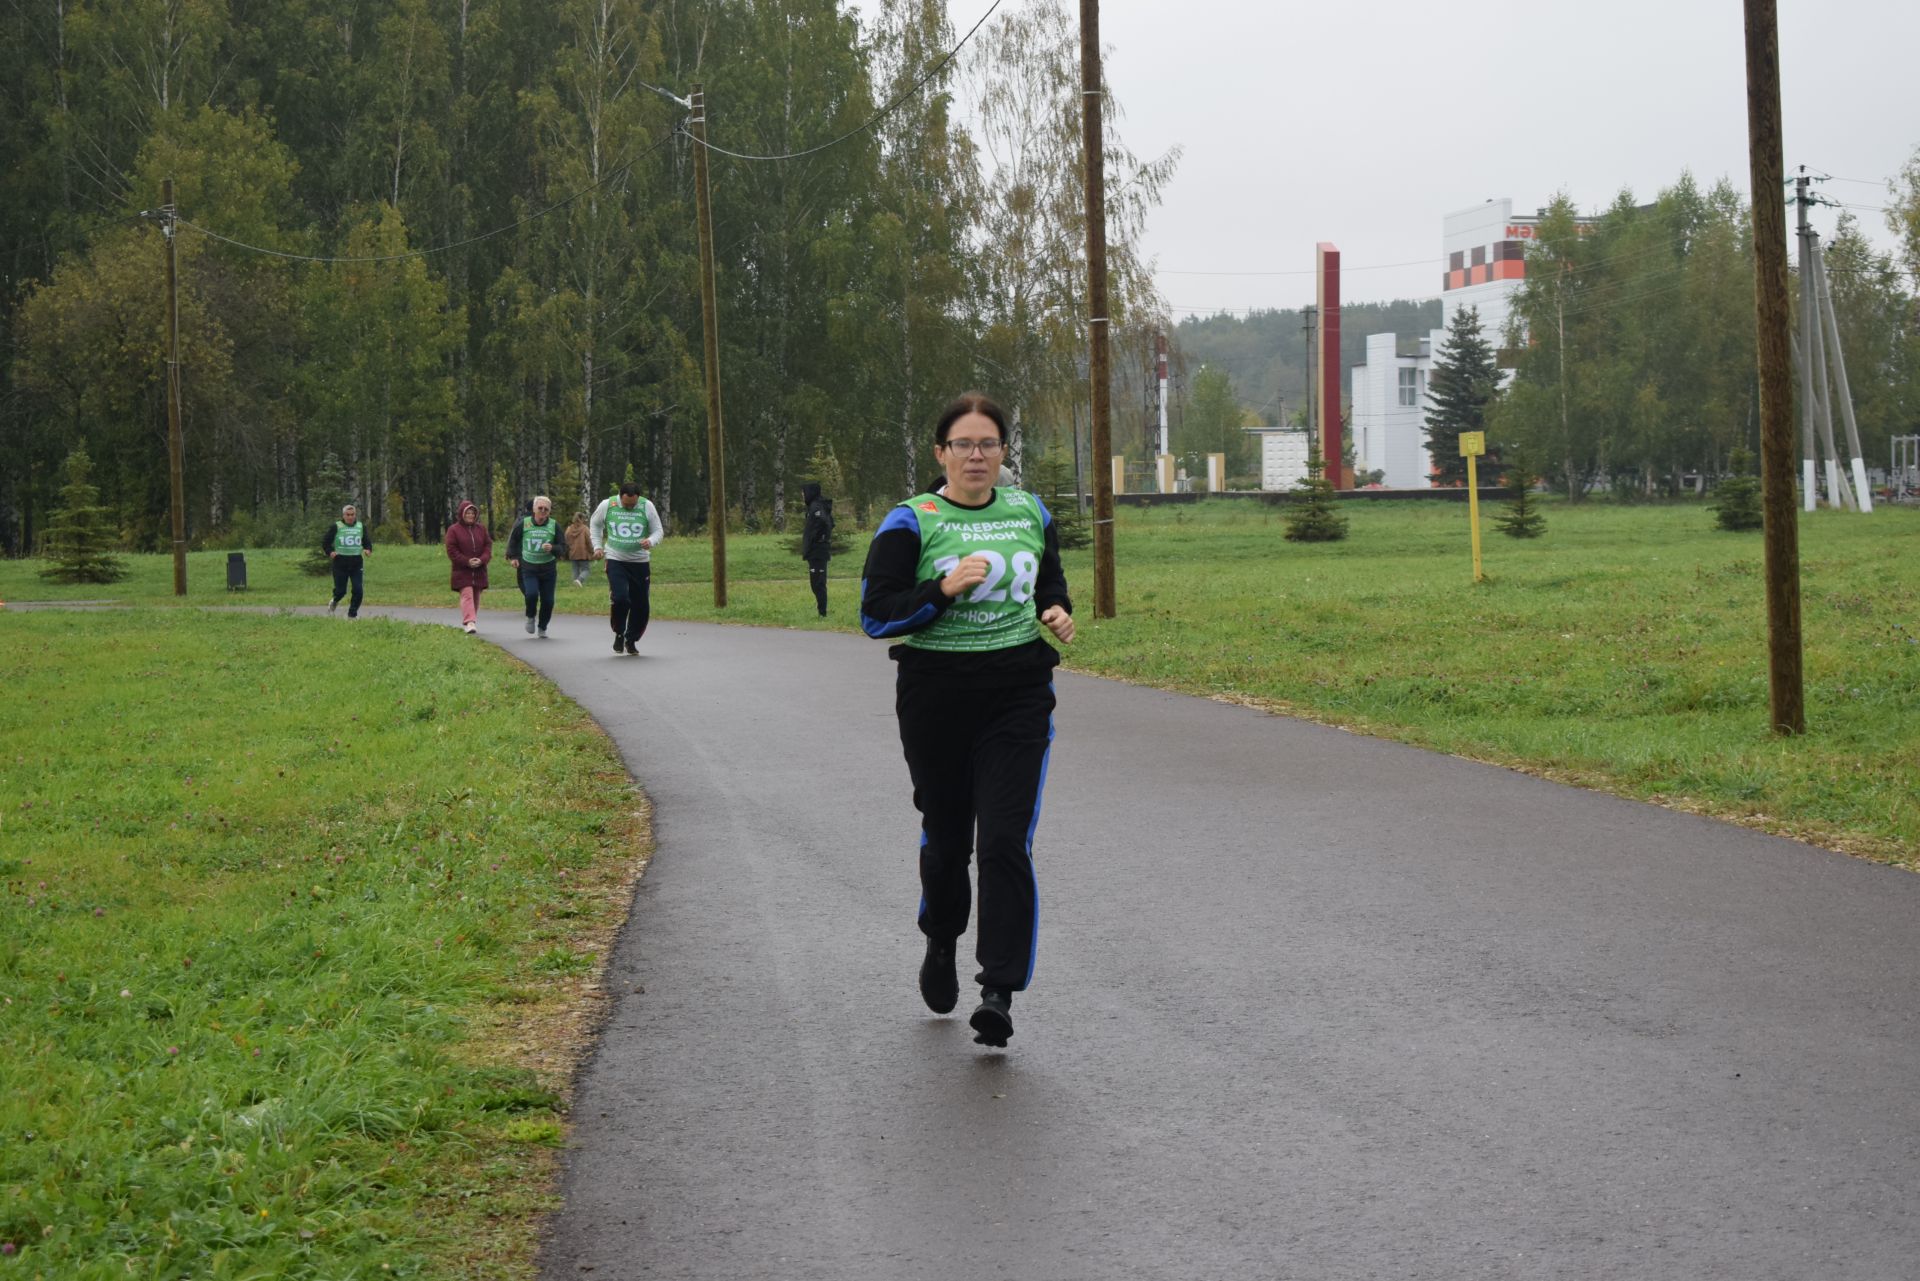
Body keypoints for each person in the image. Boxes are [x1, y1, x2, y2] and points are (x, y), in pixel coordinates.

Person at [859, 394, 1074, 1048]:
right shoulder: (912, 521)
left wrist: (1056, 611)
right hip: (936, 697)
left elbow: (1049, 584)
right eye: (963, 444)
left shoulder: (1029, 511)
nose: (976, 455)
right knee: (948, 838)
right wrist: (941, 590)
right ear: (940, 453)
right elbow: (877, 613)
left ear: (1004, 452)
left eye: (988, 443)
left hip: (1017, 693)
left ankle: (999, 990)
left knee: (1004, 840)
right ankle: (942, 937)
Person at [590, 480, 664, 655]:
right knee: (621, 598)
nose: (630, 507)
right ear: (620, 496)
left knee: (641, 605)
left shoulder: (647, 506)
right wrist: (597, 547)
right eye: (626, 504)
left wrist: (650, 541)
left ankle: (631, 639)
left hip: (640, 562)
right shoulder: (607, 505)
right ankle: (619, 632)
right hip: (616, 559)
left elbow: (658, 531)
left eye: (633, 504)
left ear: (638, 498)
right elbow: (595, 524)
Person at [508, 495, 561, 638]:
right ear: (534, 510)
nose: (543, 511)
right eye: (540, 508)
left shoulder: (554, 525)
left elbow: (564, 547)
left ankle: (542, 627)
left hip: (548, 569)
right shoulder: (524, 524)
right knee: (531, 594)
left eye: (546, 509)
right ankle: (530, 616)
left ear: (549, 511)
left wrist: (553, 548)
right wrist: (513, 557)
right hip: (529, 567)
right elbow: (513, 540)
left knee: (548, 600)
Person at [444, 500, 492, 634]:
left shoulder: (481, 529)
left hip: (479, 570)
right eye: (468, 513)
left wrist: (482, 560)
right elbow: (452, 550)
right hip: (462, 570)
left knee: (476, 595)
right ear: (462, 514)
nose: (470, 515)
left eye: (472, 513)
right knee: (467, 594)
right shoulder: (453, 530)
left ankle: (471, 619)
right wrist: (466, 561)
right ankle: (469, 621)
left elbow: (488, 546)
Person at [324, 503, 372, 618]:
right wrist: (330, 552)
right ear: (343, 515)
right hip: (340, 562)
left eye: (352, 515)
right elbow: (326, 542)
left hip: (356, 562)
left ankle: (352, 615)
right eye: (348, 515)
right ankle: (335, 601)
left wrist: (368, 549)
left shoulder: (361, 526)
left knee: (358, 590)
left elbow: (366, 541)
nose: (350, 517)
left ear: (355, 515)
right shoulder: (337, 526)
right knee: (341, 591)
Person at [798, 481, 835, 617]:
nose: (802, 496)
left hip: (818, 550)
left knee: (818, 582)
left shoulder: (817, 507)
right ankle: (821, 611)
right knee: (815, 582)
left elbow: (825, 523)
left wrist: (817, 538)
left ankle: (822, 613)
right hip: (815, 550)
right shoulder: (814, 507)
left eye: (803, 493)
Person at [565, 510, 594, 586]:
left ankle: (576, 584)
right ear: (582, 519)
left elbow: (566, 540)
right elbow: (589, 541)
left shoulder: (569, 529)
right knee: (586, 570)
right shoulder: (585, 529)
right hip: (583, 553)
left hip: (573, 552)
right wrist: (592, 551)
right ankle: (579, 580)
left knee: (575, 570)